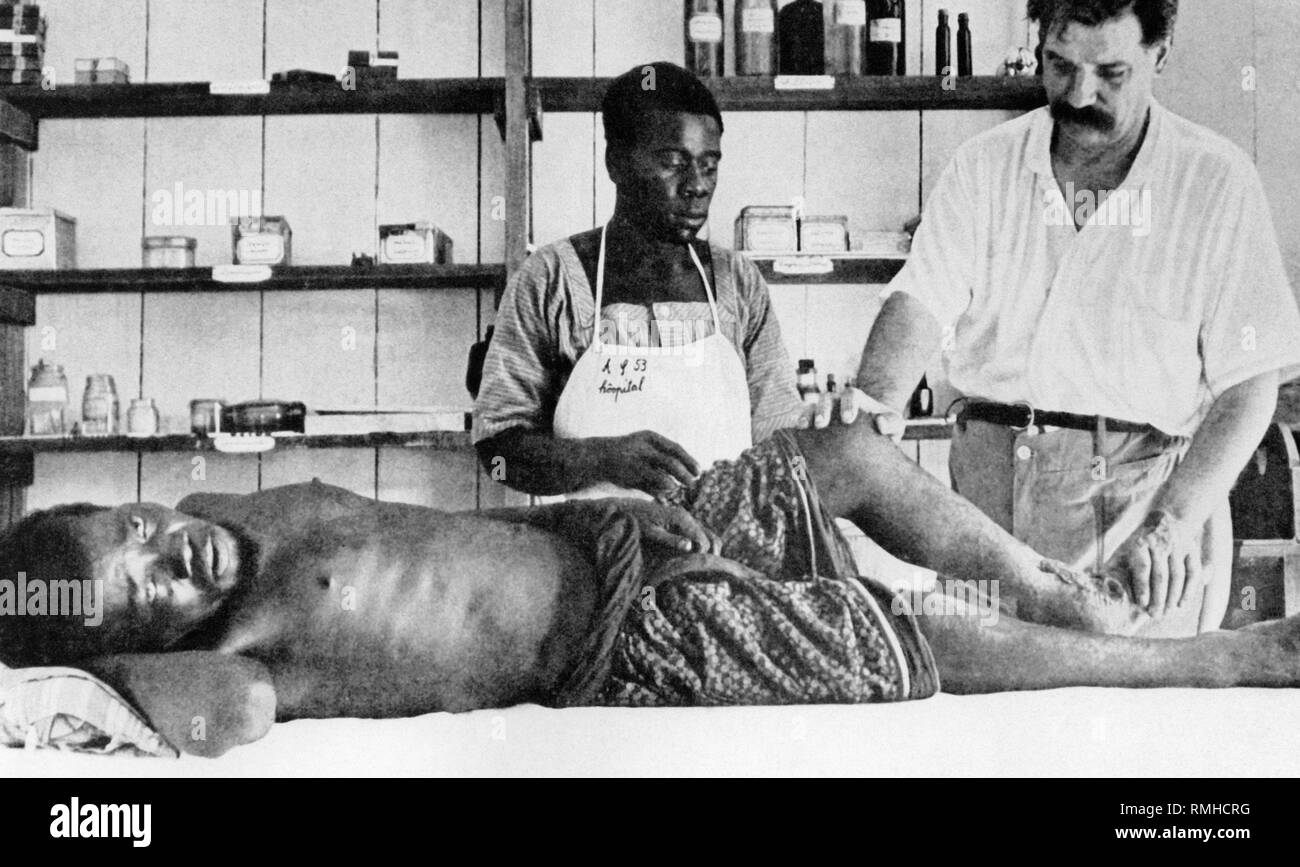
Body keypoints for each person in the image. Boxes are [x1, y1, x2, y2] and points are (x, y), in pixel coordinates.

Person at [6, 416, 1300, 759]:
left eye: (137, 522)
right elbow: (217, 726)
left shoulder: (225, 511)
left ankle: (1054, 582)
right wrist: (98, 671)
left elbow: (445, 518)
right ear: (144, 645)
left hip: (602, 536)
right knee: (899, 630)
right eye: (148, 590)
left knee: (841, 455)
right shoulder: (246, 656)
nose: (171, 552)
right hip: (624, 639)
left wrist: (587, 502)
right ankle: (1207, 661)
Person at [841, 0, 1300, 637]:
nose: (1079, 95)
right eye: (1059, 66)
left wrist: (1175, 522)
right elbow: (921, 298)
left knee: (1135, 727)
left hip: (1145, 512)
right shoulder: (984, 167)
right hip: (988, 502)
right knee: (986, 726)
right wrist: (870, 408)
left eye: (1110, 72)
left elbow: (1248, 386)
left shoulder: (1215, 181)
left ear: (1160, 54)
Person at [473, 61, 802, 499]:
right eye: (673, 162)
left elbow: (782, 447)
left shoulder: (739, 283)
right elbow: (496, 457)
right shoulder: (550, 278)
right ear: (616, 163)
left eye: (709, 165)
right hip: (591, 554)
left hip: (722, 551)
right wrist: (599, 458)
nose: (696, 186)